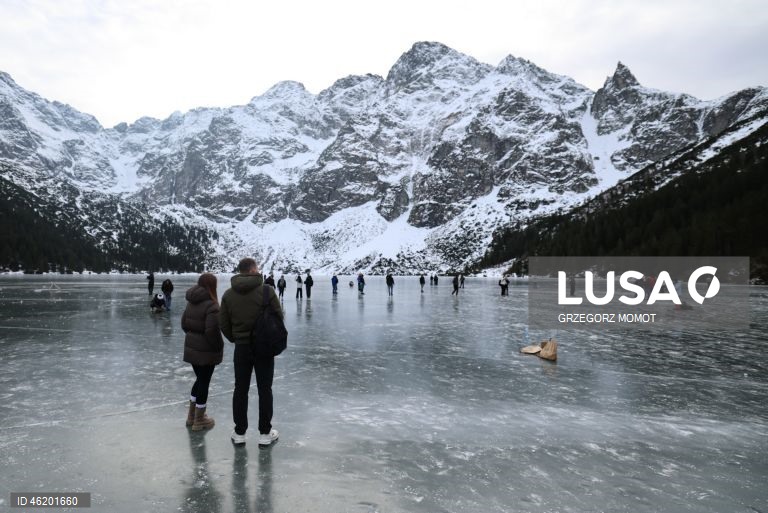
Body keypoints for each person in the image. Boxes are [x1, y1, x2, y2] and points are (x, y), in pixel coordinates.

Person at [220, 258, 283, 447]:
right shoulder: (267, 291)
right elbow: (278, 317)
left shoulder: (228, 294)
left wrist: (237, 338)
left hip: (242, 348)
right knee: (265, 389)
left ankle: (240, 432)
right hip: (264, 348)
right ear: (254, 270)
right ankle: (265, 433)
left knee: (241, 389)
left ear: (240, 271)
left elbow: (223, 324)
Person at [182, 273, 224, 431]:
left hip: (192, 349)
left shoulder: (191, 302)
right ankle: (199, 420)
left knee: (200, 380)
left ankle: (191, 416)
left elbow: (184, 324)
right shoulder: (212, 306)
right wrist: (219, 347)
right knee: (204, 382)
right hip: (206, 351)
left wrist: (193, 337)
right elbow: (212, 332)